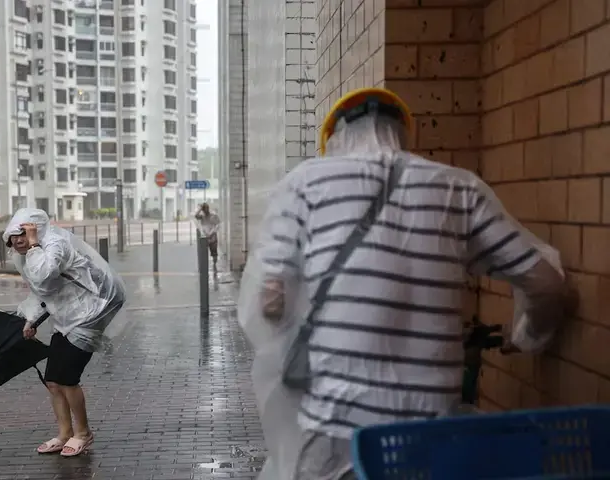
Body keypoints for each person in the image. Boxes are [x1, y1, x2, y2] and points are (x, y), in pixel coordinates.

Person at [238, 88, 571, 480]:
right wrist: (528, 337)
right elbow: (547, 284)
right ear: (404, 133)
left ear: (334, 138)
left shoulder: (305, 183)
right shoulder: (459, 189)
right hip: (426, 436)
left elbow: (271, 302)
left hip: (333, 430)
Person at [2, 208, 126, 458]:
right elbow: (43, 291)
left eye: (22, 233)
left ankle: (83, 433)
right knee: (53, 381)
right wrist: (32, 319)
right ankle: (64, 433)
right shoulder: (29, 254)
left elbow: (44, 275)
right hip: (68, 316)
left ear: (35, 229)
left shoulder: (54, 245)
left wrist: (35, 243)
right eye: (12, 235)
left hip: (91, 312)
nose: (17, 240)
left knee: (67, 378)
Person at [195, 203, 221, 270]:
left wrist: (212, 233)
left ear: (208, 208)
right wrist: (200, 208)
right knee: (204, 252)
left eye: (206, 208)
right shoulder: (202, 216)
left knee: (214, 252)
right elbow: (196, 215)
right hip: (205, 237)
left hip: (212, 237)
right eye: (204, 209)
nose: (205, 210)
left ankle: (214, 264)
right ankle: (205, 266)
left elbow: (217, 225)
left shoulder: (213, 216)